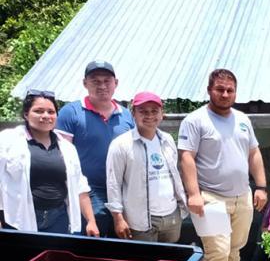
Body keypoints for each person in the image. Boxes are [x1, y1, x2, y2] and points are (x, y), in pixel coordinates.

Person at [178, 69, 268, 261]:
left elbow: (254, 153)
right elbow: (186, 157)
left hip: (242, 195)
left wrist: (261, 186)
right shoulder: (195, 120)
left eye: (230, 90)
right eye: (220, 89)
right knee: (217, 251)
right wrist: (193, 193)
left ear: (235, 92)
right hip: (209, 197)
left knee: (235, 247)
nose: (225, 94)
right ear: (209, 90)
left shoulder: (242, 119)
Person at [0, 90, 99, 236]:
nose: (46, 116)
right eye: (39, 111)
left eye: (51, 112)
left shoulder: (67, 147)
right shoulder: (8, 140)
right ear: (26, 114)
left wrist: (91, 221)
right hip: (19, 219)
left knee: (55, 257)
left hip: (58, 218)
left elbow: (80, 186)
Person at [56, 60, 135, 237]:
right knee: (95, 234)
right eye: (95, 81)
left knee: (124, 238)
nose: (102, 86)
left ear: (116, 83)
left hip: (122, 189)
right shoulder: (71, 112)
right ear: (85, 83)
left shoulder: (126, 115)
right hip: (88, 190)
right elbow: (61, 155)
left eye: (107, 81)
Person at [106, 92, 186, 242]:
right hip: (140, 220)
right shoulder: (121, 145)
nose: (149, 116)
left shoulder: (167, 140)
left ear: (162, 114)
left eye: (154, 111)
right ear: (133, 114)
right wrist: (118, 218)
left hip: (172, 215)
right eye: (143, 111)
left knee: (171, 260)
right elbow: (113, 183)